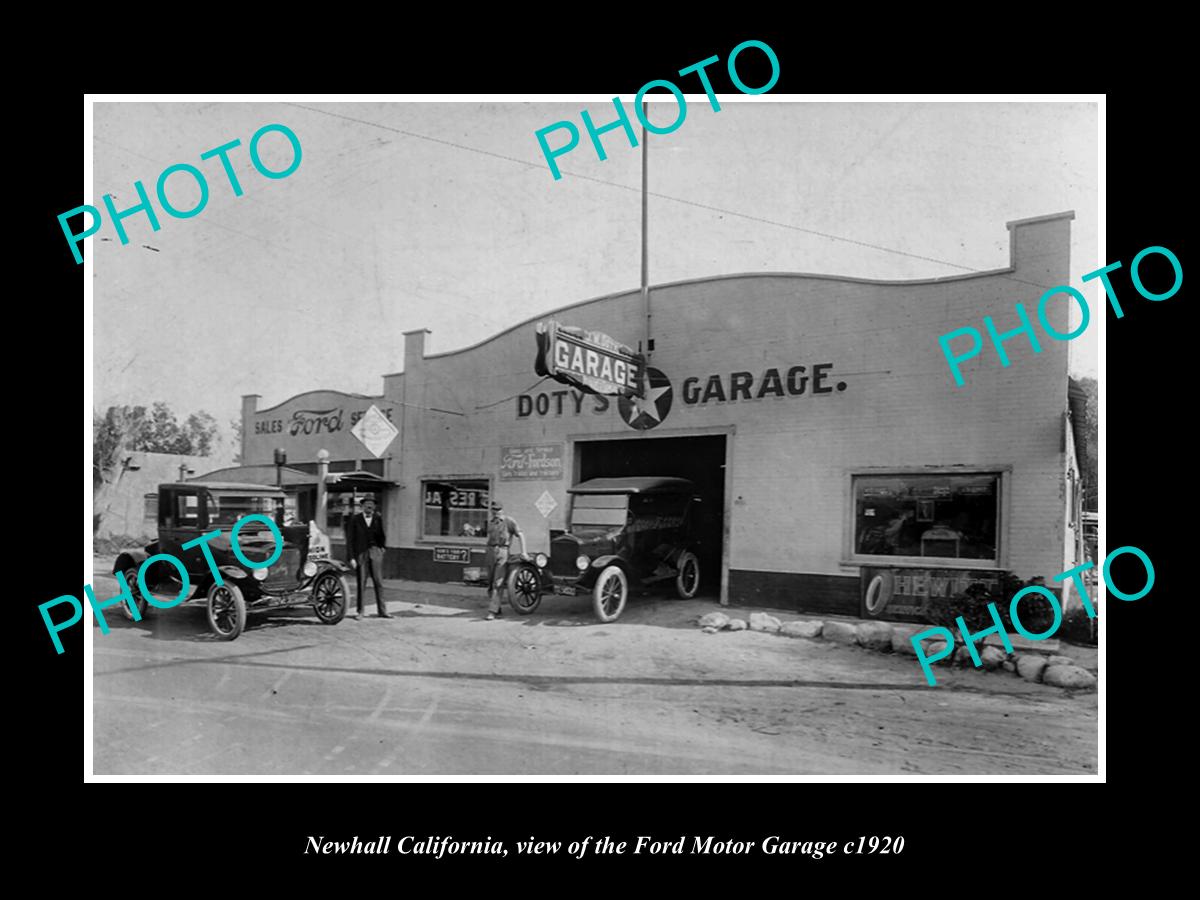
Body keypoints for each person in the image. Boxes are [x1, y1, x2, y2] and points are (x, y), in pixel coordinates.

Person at [347, 496, 391, 619]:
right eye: (367, 504)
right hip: (361, 554)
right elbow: (350, 540)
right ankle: (360, 612)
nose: (369, 506)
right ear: (362, 506)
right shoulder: (355, 519)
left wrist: (382, 549)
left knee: (379, 582)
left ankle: (382, 611)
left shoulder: (377, 518)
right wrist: (351, 557)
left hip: (375, 553)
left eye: (371, 504)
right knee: (361, 582)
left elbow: (382, 535)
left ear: (374, 506)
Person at [484, 500, 527, 620]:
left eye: (498, 510)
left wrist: (524, 552)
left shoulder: (509, 521)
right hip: (490, 551)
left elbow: (521, 535)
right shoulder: (490, 523)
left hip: (503, 552)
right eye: (493, 510)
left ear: (502, 510)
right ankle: (497, 608)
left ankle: (492, 611)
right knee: (490, 583)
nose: (496, 512)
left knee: (498, 582)